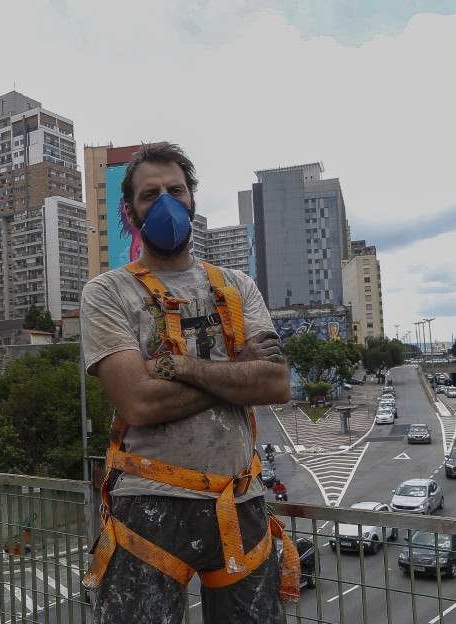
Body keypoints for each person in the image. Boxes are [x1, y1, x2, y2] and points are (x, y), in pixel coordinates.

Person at [80, 142, 295, 624]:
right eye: (149, 195)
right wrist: (238, 373)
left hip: (239, 498)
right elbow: (138, 401)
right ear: (130, 211)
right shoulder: (107, 292)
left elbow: (276, 383)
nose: (165, 204)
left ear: (193, 200)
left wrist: (182, 368)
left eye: (175, 191)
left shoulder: (236, 286)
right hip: (148, 502)